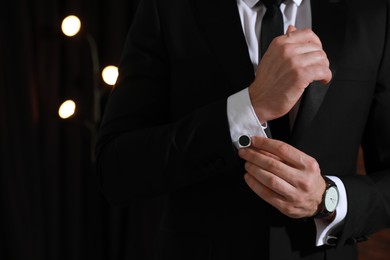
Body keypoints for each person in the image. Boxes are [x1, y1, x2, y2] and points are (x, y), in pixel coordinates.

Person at [95, 0, 390, 259]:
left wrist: (327, 198)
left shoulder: (372, 9)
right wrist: (250, 106)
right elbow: (115, 169)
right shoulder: (169, 7)